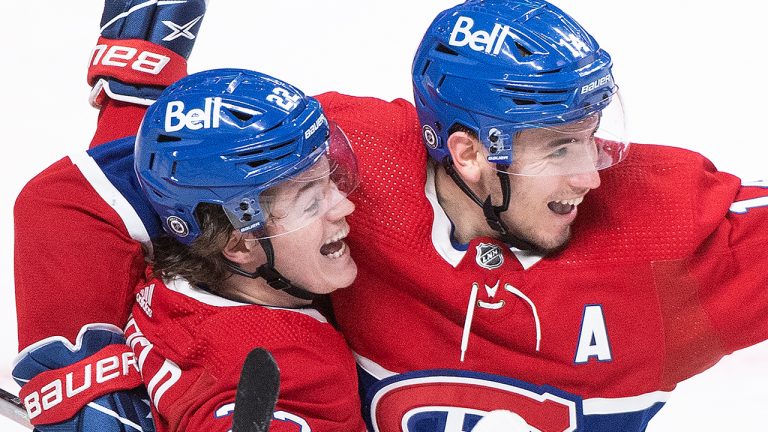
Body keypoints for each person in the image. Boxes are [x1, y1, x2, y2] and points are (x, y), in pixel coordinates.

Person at [12, 0, 768, 431]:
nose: (593, 172)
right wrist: (93, 395)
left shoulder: (672, 227)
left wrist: (131, 91)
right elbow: (82, 204)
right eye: (560, 146)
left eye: (593, 136)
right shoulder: (351, 169)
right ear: (469, 154)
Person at [124, 67, 364, 431]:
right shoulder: (289, 361)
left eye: (330, 177)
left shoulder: (163, 289)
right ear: (239, 242)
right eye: (311, 202)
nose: (345, 206)